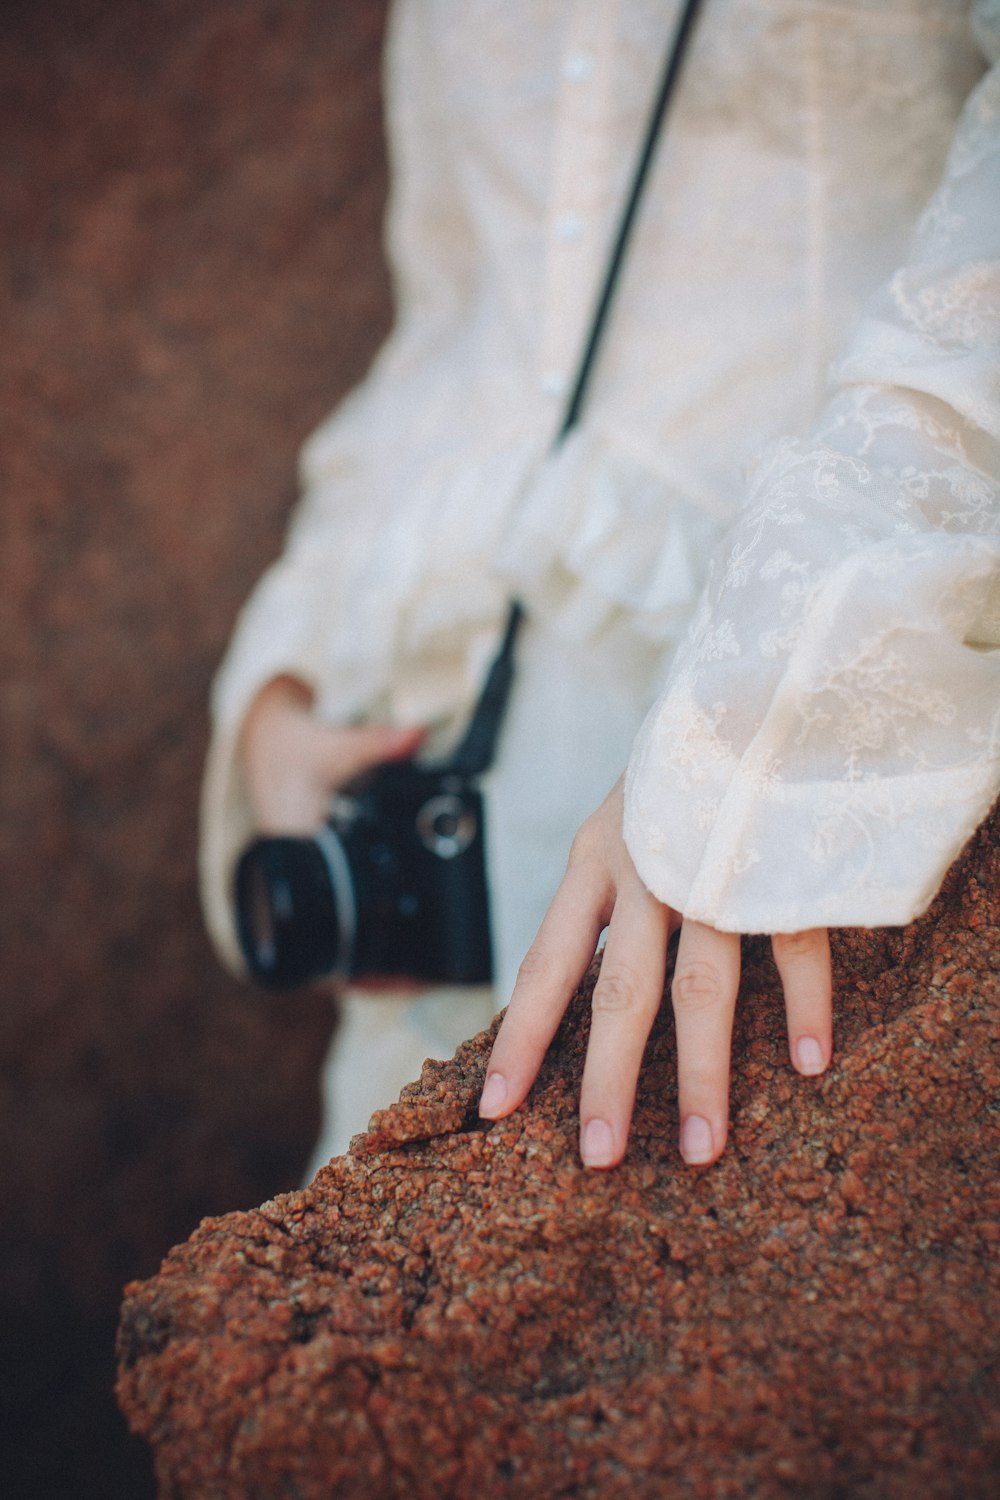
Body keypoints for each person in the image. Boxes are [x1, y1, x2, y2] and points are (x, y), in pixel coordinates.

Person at [201, 0, 1000, 1175]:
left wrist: (764, 721)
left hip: (806, 702)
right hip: (455, 732)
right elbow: (448, 329)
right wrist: (281, 694)